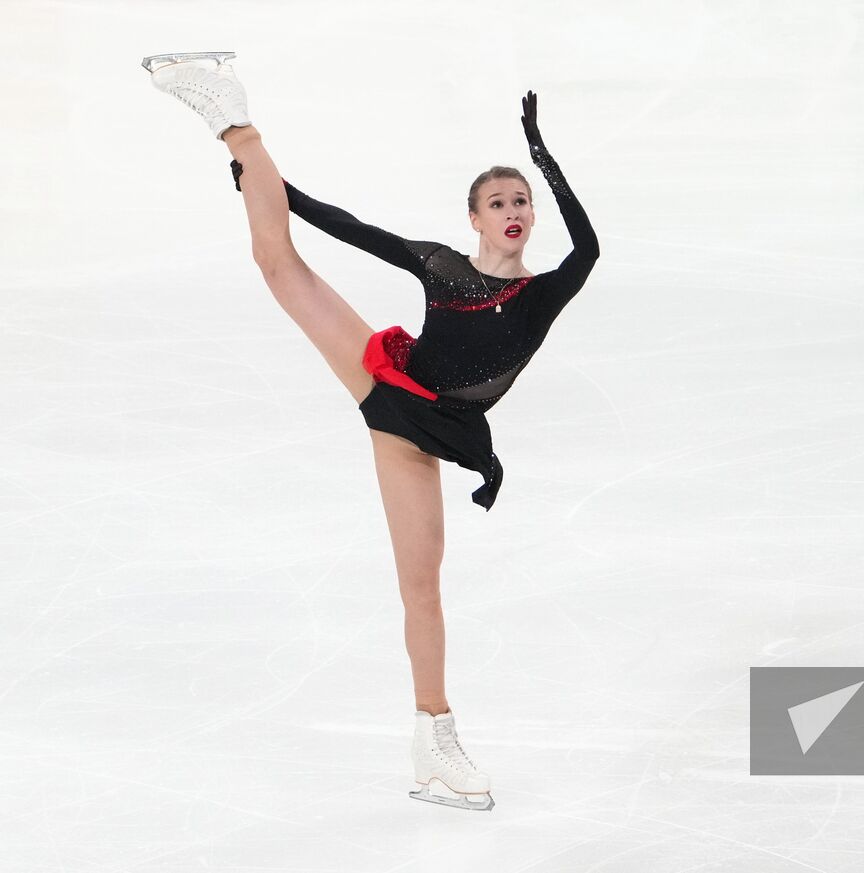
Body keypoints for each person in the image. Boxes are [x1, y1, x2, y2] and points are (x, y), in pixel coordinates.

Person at [141, 52, 600, 811]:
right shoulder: (443, 265)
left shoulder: (542, 294)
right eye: (496, 200)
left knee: (421, 590)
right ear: (474, 218)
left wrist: (542, 156)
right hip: (388, 384)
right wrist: (269, 187)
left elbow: (588, 248)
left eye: (519, 199)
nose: (510, 208)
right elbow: (349, 228)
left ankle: (432, 738)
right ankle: (232, 118)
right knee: (278, 262)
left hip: (430, 436)